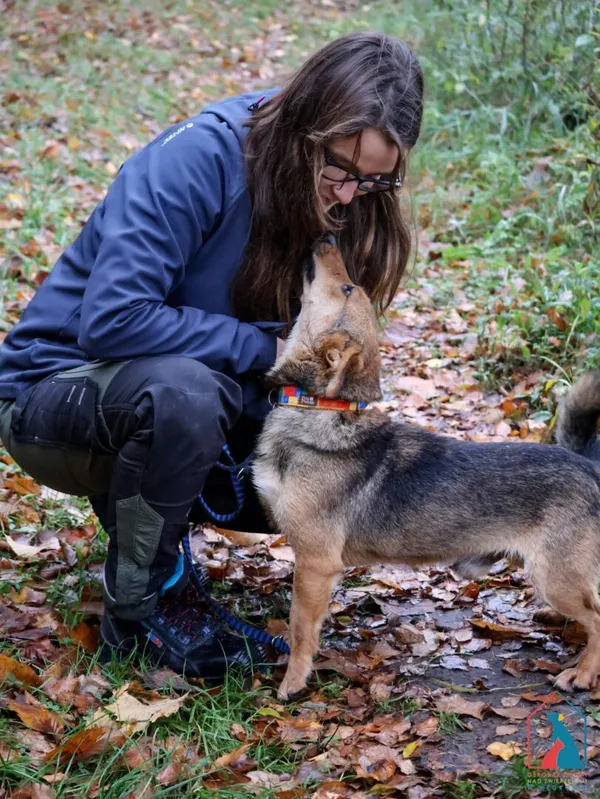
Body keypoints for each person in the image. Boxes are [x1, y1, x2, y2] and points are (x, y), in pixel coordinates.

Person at [0, 32, 424, 680]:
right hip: (54, 399)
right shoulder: (199, 159)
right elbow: (112, 321)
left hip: (191, 398)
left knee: (332, 454)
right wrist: (263, 346)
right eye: (340, 169)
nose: (348, 194)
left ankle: (153, 529)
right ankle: (140, 613)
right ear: (305, 126)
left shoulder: (345, 198)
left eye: (372, 180)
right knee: (187, 395)